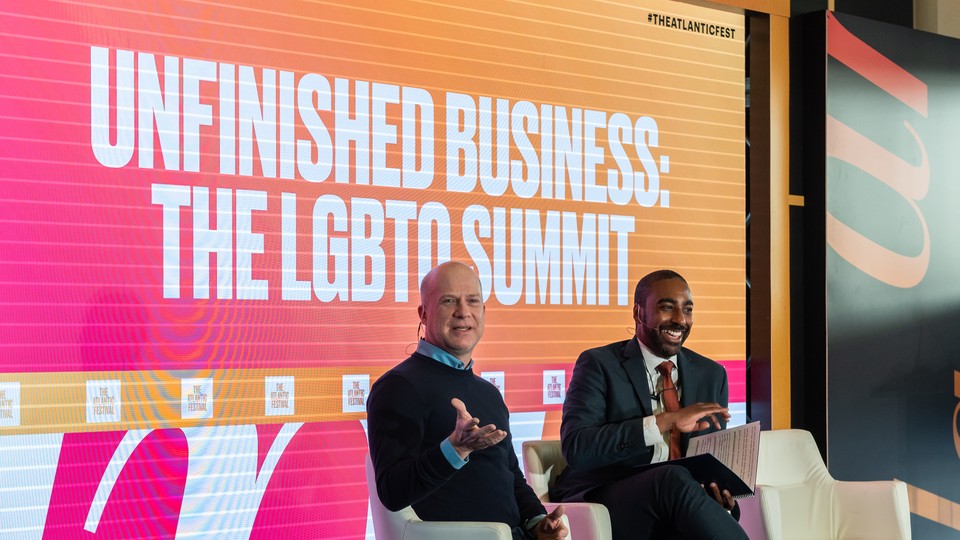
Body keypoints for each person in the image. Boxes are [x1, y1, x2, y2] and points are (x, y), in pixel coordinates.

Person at [366, 261, 568, 540]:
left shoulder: (488, 392)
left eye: (472, 301)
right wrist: (455, 449)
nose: (463, 312)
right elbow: (392, 491)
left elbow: (510, 474)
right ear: (423, 314)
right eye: (449, 301)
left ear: (483, 312)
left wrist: (536, 521)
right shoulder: (398, 386)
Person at [552, 269, 748, 539]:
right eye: (667, 307)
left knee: (681, 486)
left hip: (679, 504)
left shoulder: (711, 374)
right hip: (608, 497)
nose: (680, 320)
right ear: (639, 312)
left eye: (687, 309)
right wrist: (667, 420)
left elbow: (709, 460)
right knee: (671, 478)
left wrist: (720, 497)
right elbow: (578, 448)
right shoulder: (599, 365)